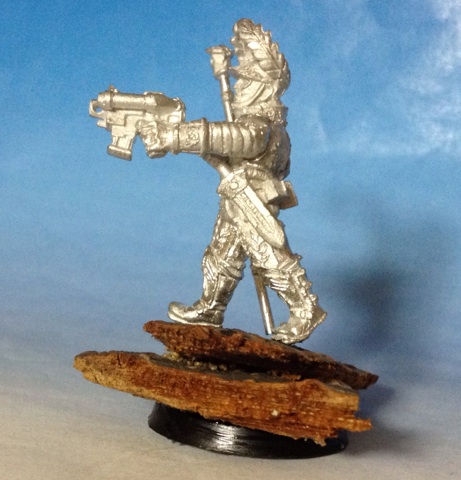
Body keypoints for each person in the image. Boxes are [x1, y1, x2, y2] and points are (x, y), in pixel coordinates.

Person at [139, 19, 326, 344]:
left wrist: (176, 137)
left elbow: (236, 138)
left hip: (251, 200)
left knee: (269, 257)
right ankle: (211, 308)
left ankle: (305, 309)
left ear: (261, 86)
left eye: (246, 79)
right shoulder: (271, 128)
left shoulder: (261, 126)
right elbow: (231, 146)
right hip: (238, 196)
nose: (239, 85)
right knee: (222, 254)